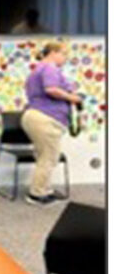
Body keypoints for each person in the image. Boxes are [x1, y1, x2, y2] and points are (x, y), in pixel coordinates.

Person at [21, 41, 82, 206]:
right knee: (49, 157)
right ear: (54, 52)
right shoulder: (49, 68)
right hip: (45, 118)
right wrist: (73, 98)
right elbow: (51, 89)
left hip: (38, 116)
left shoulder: (39, 69)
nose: (65, 59)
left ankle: (45, 189)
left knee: (45, 157)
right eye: (64, 54)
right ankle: (37, 194)